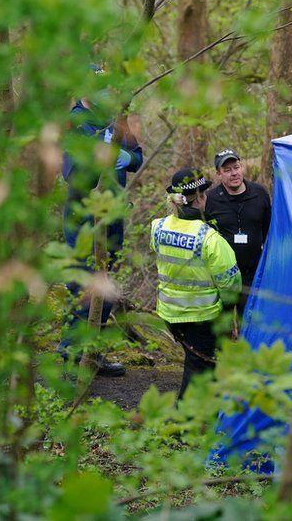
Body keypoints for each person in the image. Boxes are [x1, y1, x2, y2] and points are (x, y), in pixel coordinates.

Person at [60, 89, 143, 377]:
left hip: (112, 217)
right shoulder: (76, 122)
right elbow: (71, 174)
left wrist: (124, 157)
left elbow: (138, 158)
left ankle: (91, 353)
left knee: (107, 288)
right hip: (83, 219)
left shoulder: (115, 119)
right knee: (84, 287)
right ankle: (71, 357)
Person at [152, 168, 242, 398]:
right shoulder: (209, 239)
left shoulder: (158, 228)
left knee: (198, 363)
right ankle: (184, 422)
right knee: (198, 369)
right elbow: (231, 285)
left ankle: (202, 413)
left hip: (169, 314)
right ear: (201, 197)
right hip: (201, 318)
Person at [205, 149, 271, 314]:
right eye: (227, 170)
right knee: (223, 325)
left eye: (236, 167)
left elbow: (269, 231)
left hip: (252, 273)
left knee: (248, 321)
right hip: (223, 276)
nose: (234, 173)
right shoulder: (211, 199)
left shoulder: (259, 193)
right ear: (218, 174)